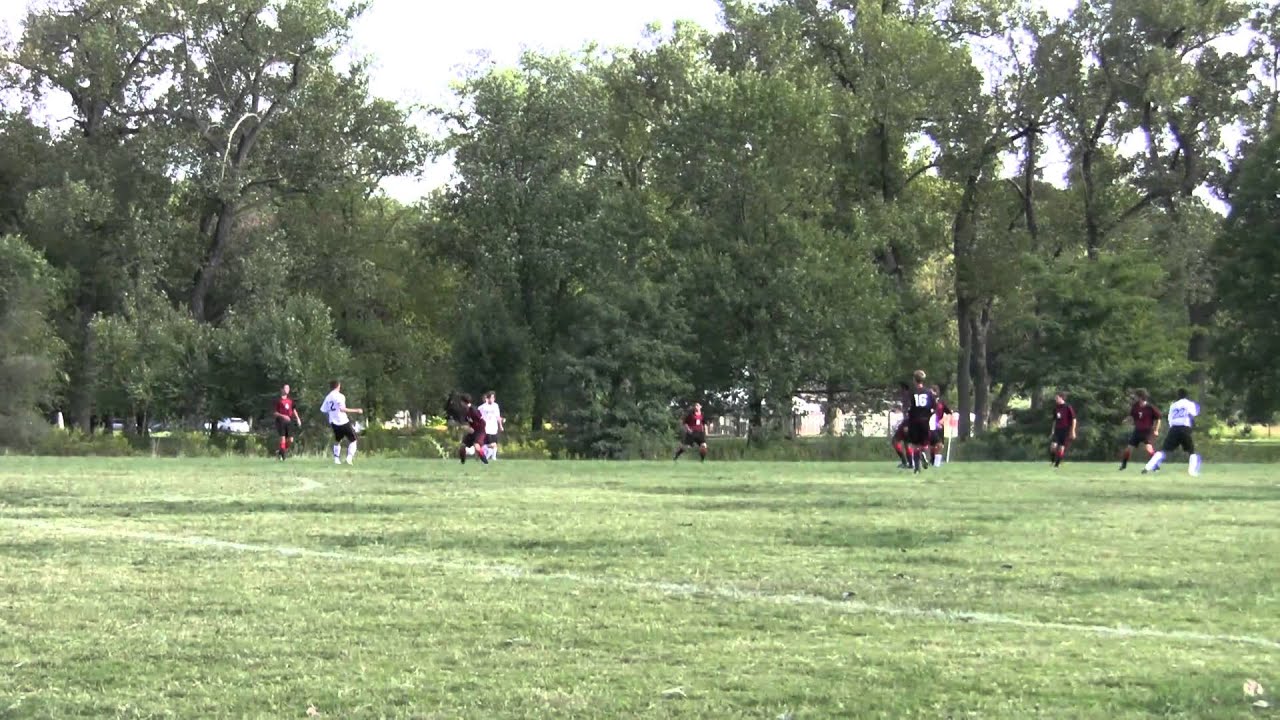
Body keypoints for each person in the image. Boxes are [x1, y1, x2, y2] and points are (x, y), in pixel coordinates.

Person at [1144, 389, 1202, 476]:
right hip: (1184, 428)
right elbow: (1194, 413)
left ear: (1178, 395)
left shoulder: (1173, 405)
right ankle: (1192, 472)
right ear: (1186, 395)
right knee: (1191, 452)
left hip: (1174, 429)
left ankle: (1148, 466)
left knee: (1164, 450)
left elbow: (1170, 419)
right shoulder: (1189, 404)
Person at [320, 380, 362, 465]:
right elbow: (342, 409)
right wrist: (356, 410)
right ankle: (349, 458)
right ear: (338, 386)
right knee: (353, 440)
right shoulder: (340, 396)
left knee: (338, 439)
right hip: (342, 420)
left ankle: (336, 459)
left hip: (333, 422)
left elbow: (323, 410)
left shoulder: (328, 397)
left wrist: (330, 417)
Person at [1119, 389, 1161, 471]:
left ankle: (1155, 465)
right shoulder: (1135, 406)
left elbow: (1159, 418)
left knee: (1149, 449)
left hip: (1147, 431)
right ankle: (1123, 465)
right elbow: (1131, 416)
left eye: (1136, 396)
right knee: (1128, 449)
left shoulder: (1150, 408)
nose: (1134, 397)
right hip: (1137, 431)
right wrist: (1126, 420)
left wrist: (1156, 430)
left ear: (1141, 397)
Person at [905, 370, 935, 474]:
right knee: (925, 444)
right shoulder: (928, 392)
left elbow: (910, 408)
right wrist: (928, 416)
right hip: (925, 420)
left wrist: (908, 422)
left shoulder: (912, 393)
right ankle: (923, 453)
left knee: (914, 445)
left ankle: (917, 467)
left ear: (914, 380)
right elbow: (933, 407)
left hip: (915, 420)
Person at [456, 393, 489, 465]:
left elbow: (483, 423)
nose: (460, 403)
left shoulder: (474, 410)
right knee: (462, 446)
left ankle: (486, 463)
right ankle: (462, 463)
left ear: (463, 402)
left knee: (477, 446)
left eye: (461, 401)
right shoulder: (465, 410)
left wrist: (474, 428)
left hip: (480, 431)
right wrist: (466, 427)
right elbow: (467, 421)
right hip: (472, 431)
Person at [273, 383, 302, 461]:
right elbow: (275, 413)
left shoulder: (290, 400)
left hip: (289, 421)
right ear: (282, 389)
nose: (287, 390)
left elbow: (293, 410)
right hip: (281, 421)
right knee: (283, 439)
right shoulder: (277, 400)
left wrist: (298, 418)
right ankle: (283, 457)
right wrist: (283, 416)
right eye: (286, 388)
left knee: (290, 440)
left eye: (288, 388)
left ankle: (280, 452)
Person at [1049, 392, 1076, 468]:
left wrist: (1073, 431)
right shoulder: (1056, 408)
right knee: (1053, 446)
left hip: (1065, 430)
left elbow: (1074, 419)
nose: (1055, 399)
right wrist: (1052, 430)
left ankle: (1057, 465)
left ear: (1061, 398)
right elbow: (1054, 420)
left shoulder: (1068, 407)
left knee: (1061, 447)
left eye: (1057, 398)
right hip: (1057, 430)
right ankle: (1052, 460)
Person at [929, 385, 952, 468]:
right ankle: (933, 461)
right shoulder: (928, 403)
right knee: (932, 446)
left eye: (932, 392)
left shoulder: (941, 402)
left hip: (939, 428)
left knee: (939, 445)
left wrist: (942, 421)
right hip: (930, 427)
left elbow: (949, 413)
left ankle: (936, 463)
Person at [478, 391, 504, 462]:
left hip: (494, 428)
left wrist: (500, 426)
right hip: (487, 428)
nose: (492, 399)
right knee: (492, 445)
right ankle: (485, 454)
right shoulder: (483, 407)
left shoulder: (496, 406)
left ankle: (492, 457)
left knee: (494, 444)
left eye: (493, 398)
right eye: (491, 398)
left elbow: (498, 416)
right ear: (488, 398)